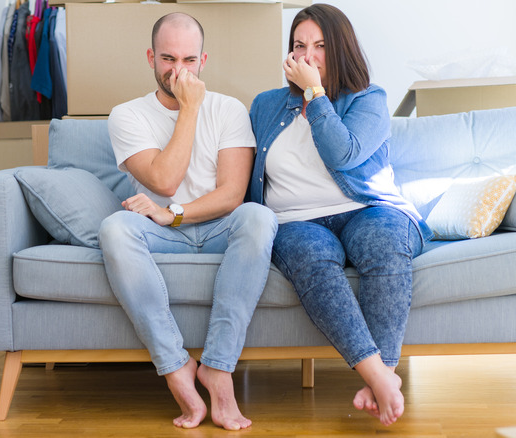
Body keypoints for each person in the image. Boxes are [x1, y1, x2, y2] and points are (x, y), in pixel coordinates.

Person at [248, 4, 433, 426]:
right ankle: (381, 378)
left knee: (384, 242)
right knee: (311, 257)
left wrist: (315, 95)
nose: (307, 56)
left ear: (341, 49)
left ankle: (382, 371)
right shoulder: (265, 106)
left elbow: (343, 152)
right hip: (296, 220)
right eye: (299, 46)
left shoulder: (369, 99)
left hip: (365, 209)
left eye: (320, 46)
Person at [99, 12, 277, 431]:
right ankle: (177, 368)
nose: (179, 71)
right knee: (114, 229)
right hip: (158, 233)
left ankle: (216, 368)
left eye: (189, 60)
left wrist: (172, 212)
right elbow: (165, 178)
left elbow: (232, 194)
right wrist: (189, 109)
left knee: (258, 216)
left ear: (204, 60)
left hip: (215, 226)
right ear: (150, 57)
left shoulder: (230, 109)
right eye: (167, 59)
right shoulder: (126, 115)